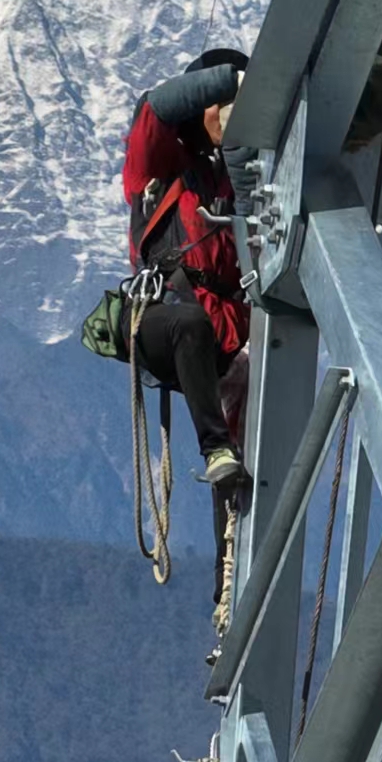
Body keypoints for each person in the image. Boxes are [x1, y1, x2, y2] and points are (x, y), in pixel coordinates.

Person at [120, 48, 253, 489]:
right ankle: (215, 448)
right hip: (161, 316)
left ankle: (235, 507)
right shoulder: (158, 166)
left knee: (260, 370)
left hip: (224, 332)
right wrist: (234, 82)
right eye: (222, 106)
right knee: (189, 324)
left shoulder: (236, 181)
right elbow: (154, 108)